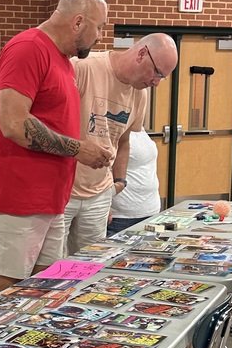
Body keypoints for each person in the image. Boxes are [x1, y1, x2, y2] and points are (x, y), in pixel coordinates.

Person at [0, 0, 115, 295]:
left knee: (46, 290)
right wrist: (77, 149)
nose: (99, 36)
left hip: (50, 199)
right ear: (78, 22)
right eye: (99, 27)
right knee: (7, 291)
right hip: (20, 197)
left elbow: (52, 122)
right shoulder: (28, 48)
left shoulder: (64, 62)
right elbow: (14, 123)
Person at [63, 33, 177, 253]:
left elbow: (123, 140)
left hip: (98, 193)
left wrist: (119, 181)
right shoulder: (83, 67)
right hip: (64, 191)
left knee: (90, 265)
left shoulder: (139, 93)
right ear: (142, 53)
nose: (157, 83)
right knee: (50, 268)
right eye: (157, 73)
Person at [107, 128, 162, 235]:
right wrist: (105, 205)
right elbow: (103, 171)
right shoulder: (113, 129)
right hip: (122, 215)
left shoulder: (140, 130)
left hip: (150, 210)